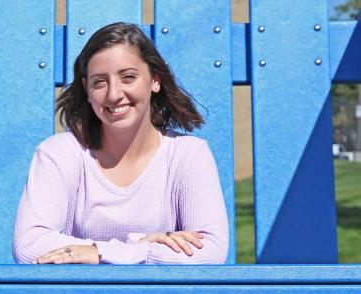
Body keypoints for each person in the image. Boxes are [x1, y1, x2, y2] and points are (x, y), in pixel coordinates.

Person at [12, 22, 228, 264]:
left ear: (155, 80)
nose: (114, 94)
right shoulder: (59, 153)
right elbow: (29, 245)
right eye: (99, 82)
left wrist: (106, 253)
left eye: (128, 77)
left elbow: (210, 251)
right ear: (87, 88)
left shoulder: (188, 155)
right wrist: (140, 248)